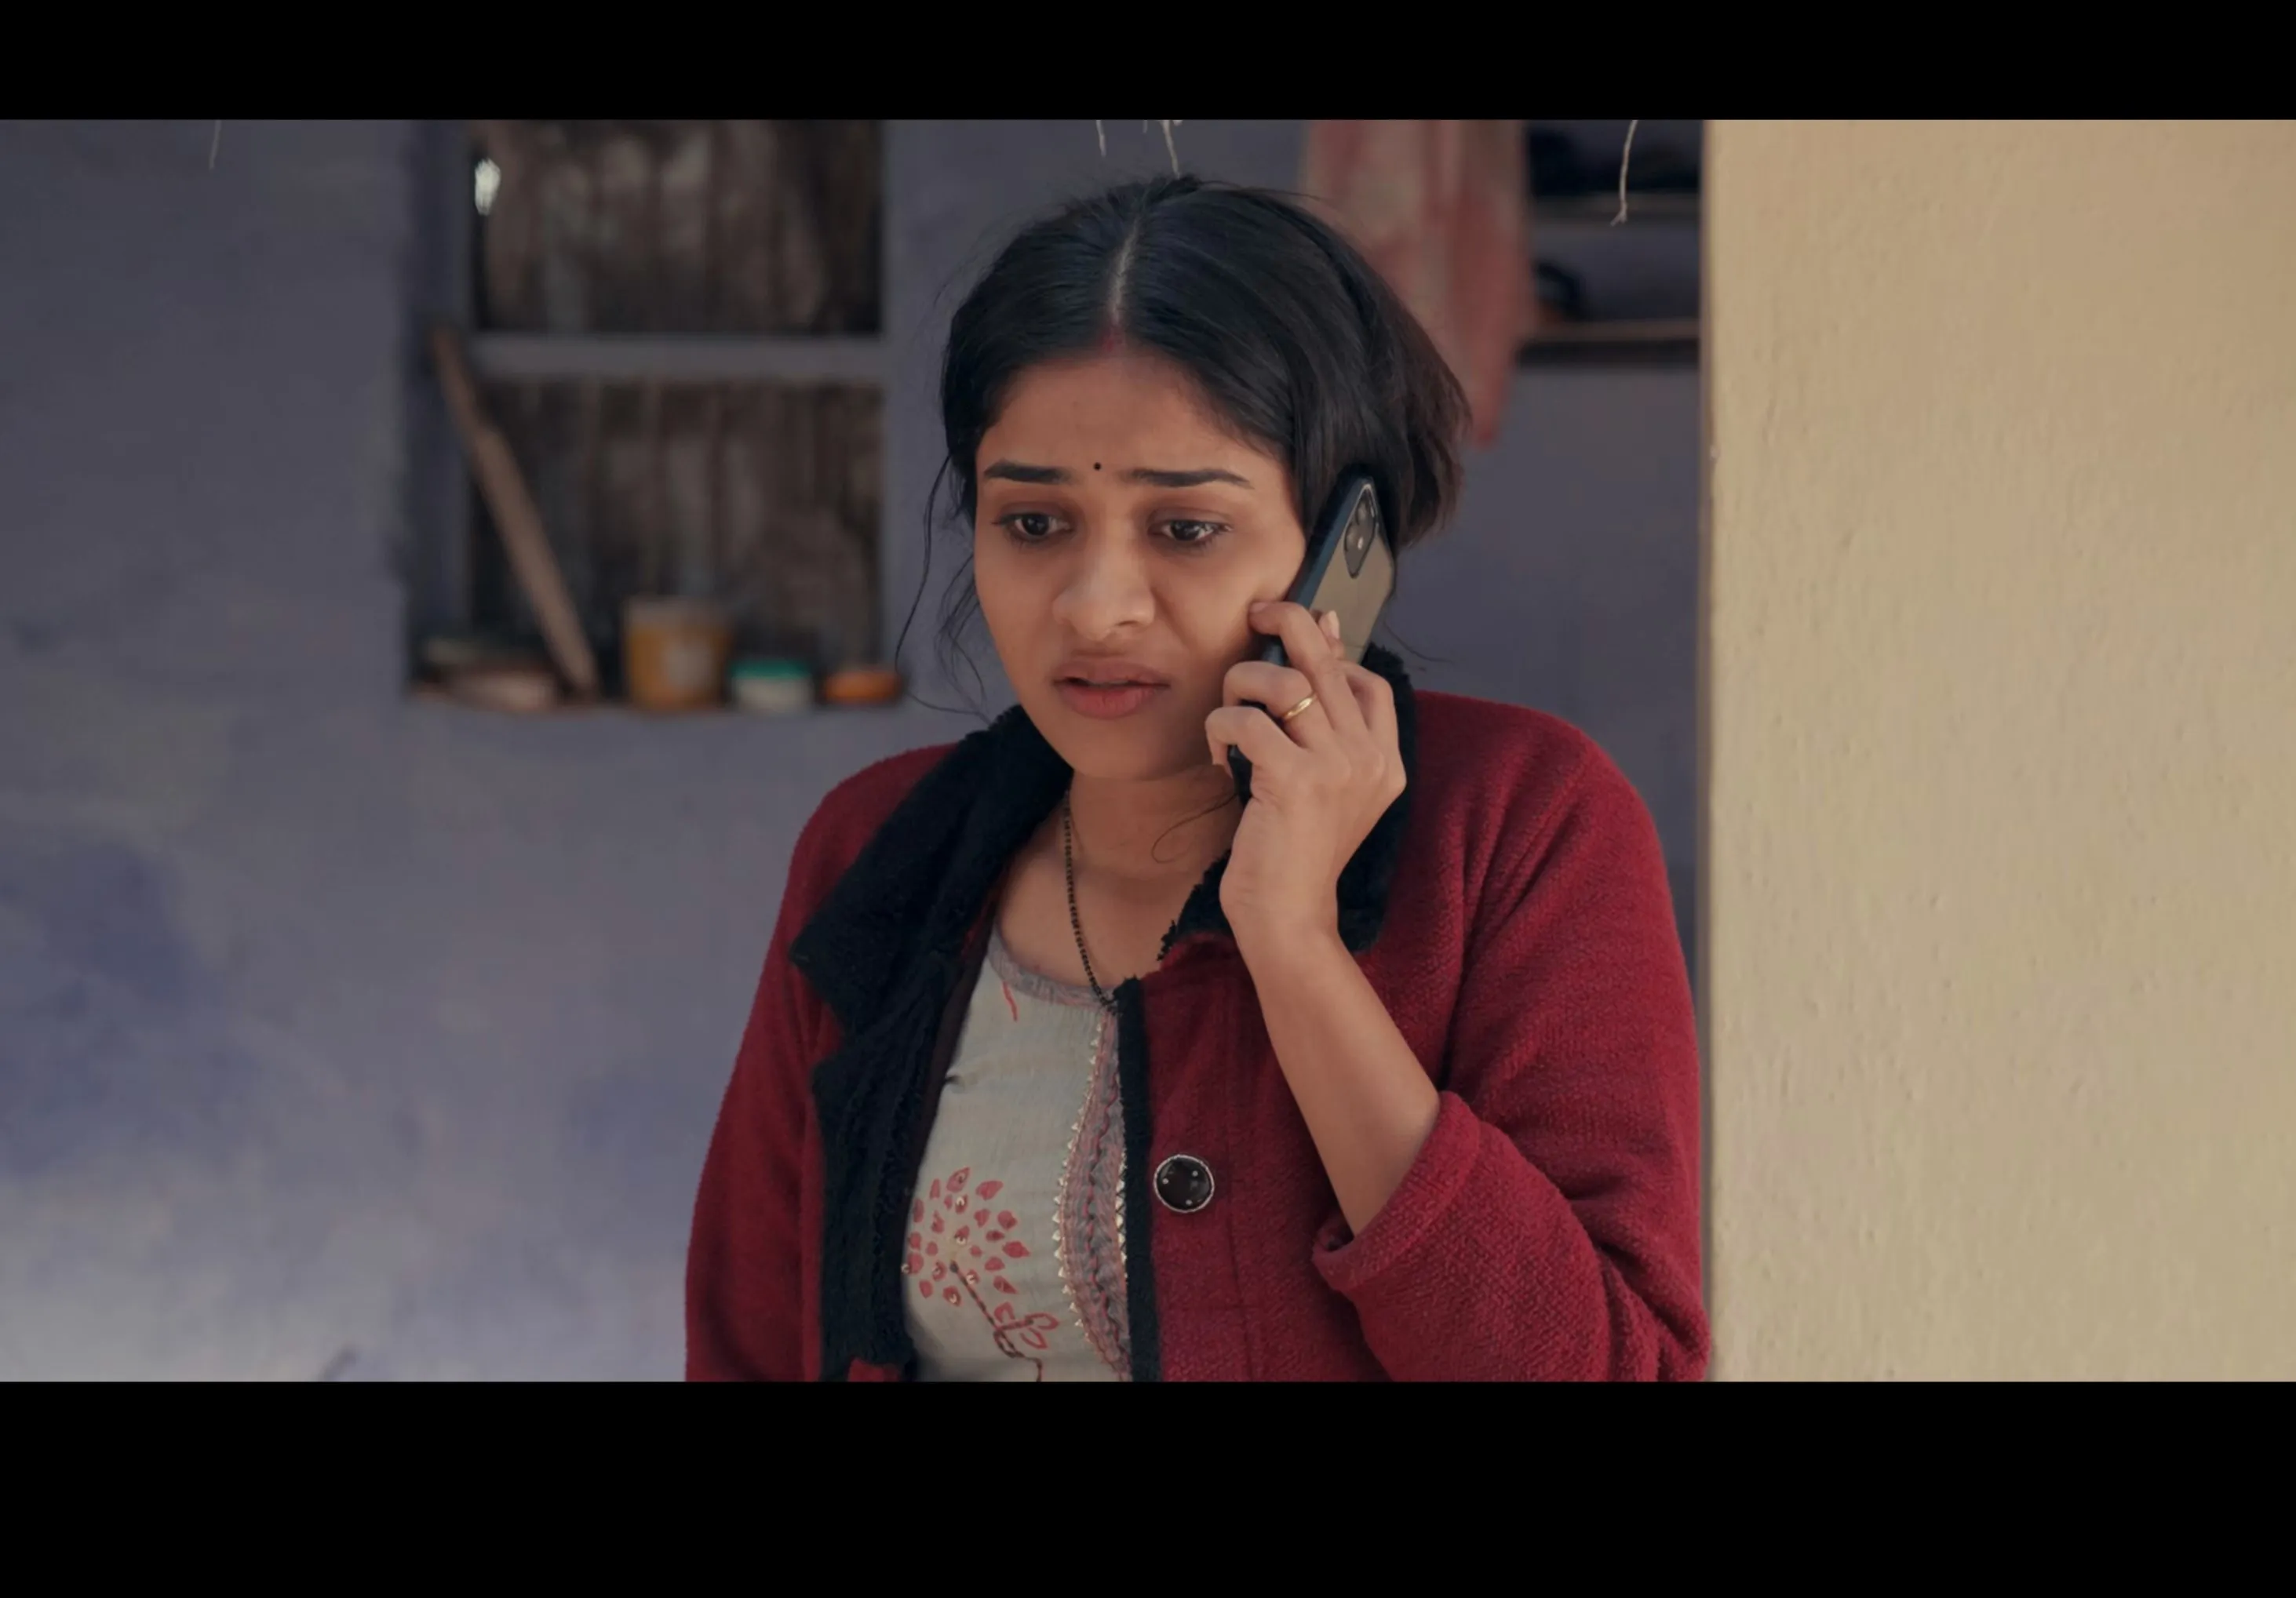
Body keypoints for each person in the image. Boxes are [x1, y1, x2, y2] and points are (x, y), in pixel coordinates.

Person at [683, 175, 1705, 1380]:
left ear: (1342, 547)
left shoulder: (1521, 826)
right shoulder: (878, 850)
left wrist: (1297, 947)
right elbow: (749, 1346)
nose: (1095, 607)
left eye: (1186, 529)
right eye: (1033, 523)